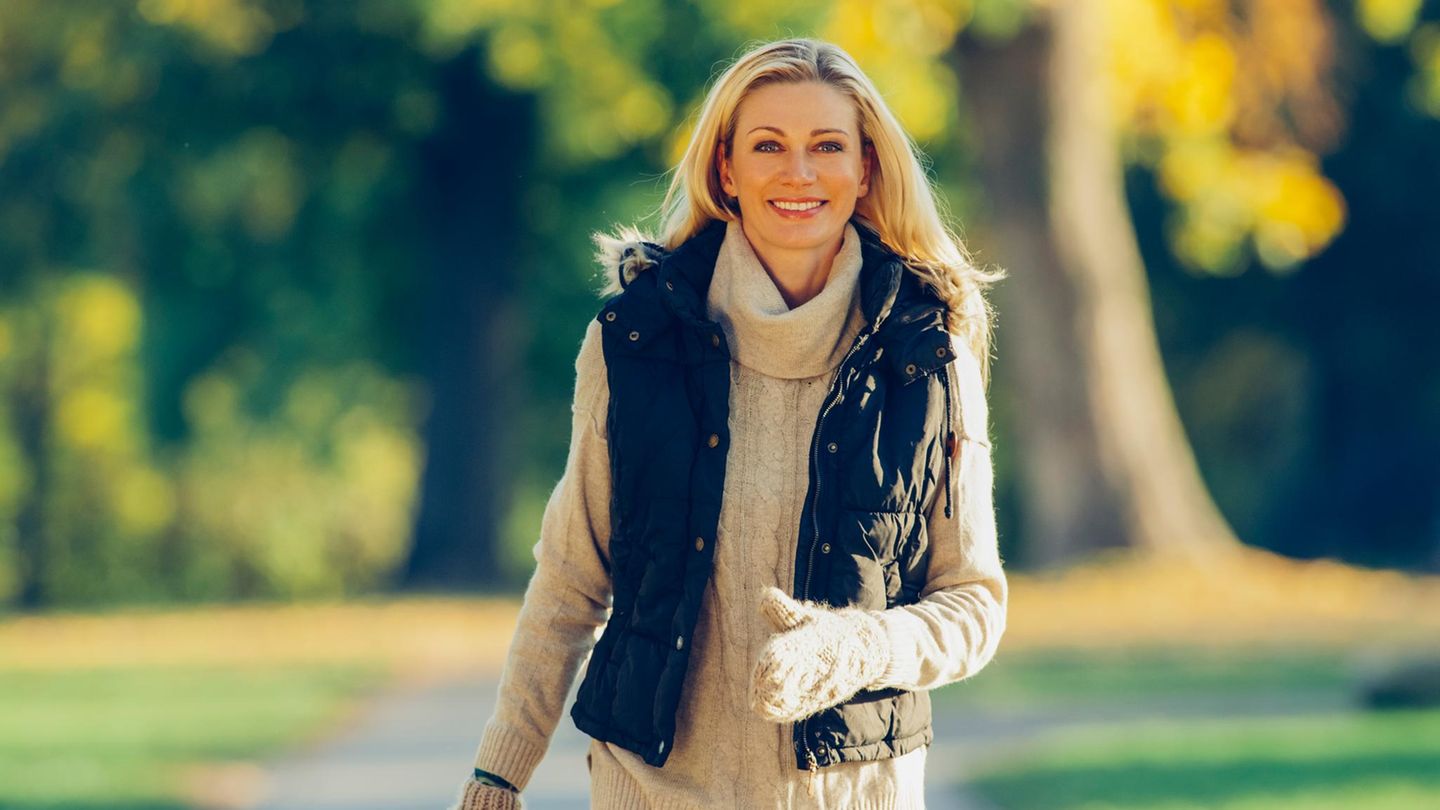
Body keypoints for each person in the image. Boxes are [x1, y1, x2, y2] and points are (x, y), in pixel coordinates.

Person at [448, 36, 1008, 810]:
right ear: (726, 169)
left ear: (864, 169)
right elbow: (573, 578)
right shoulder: (634, 341)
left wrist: (857, 647)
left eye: (827, 146)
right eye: (768, 145)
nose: (799, 172)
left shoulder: (928, 357)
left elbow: (974, 605)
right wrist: (498, 773)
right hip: (650, 789)